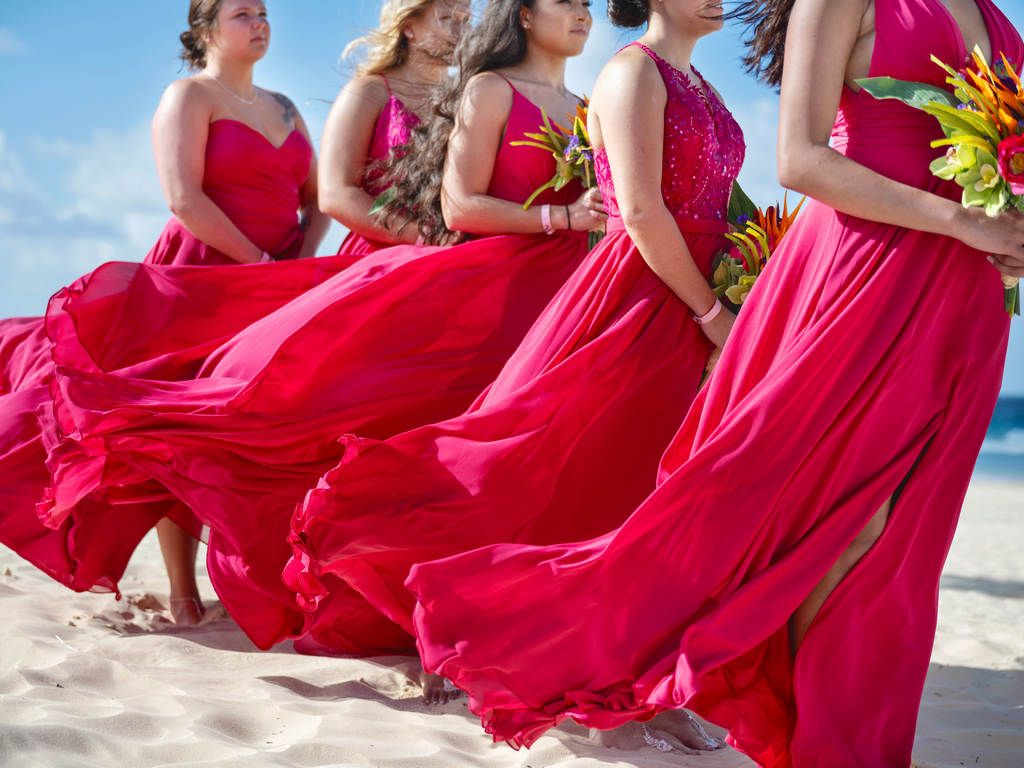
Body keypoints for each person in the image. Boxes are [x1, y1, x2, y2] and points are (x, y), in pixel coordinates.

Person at [406, 0, 1024, 765]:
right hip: (859, 271)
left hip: (963, 291)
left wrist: (1002, 228)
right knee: (839, 521)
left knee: (906, 536)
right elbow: (792, 162)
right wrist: (960, 223)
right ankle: (830, 746)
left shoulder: (996, 16)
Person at [39, 0, 605, 695]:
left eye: (465, 13)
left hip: (399, 272)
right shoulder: (366, 91)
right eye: (446, 13)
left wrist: (305, 263)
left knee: (374, 422)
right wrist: (404, 243)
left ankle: (357, 586)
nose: (460, 24)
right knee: (248, 405)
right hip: (321, 264)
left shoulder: (461, 93)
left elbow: (318, 201)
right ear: (409, 21)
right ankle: (199, 582)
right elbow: (330, 194)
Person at [287, 2, 737, 749]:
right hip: (526, 289)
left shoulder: (623, 97)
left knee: (613, 478)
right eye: (563, 2)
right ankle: (448, 617)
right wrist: (569, 225)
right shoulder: (509, 88)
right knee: (513, 461)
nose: (581, 15)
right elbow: (462, 204)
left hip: (618, 288)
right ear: (524, 15)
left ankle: (629, 667)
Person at [0, 0, 330, 626]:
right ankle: (182, 592)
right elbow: (184, 197)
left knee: (255, 424)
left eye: (264, 12)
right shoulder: (189, 95)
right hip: (197, 275)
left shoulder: (284, 107)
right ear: (205, 30)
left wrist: (296, 260)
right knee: (171, 424)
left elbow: (315, 199)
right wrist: (257, 259)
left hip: (274, 283)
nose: (260, 23)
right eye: (242, 13)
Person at [321, 0, 469, 256]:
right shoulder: (368, 92)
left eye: (465, 20)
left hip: (459, 254)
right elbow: (335, 193)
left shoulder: (470, 96)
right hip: (381, 257)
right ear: (409, 27)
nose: (461, 32)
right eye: (447, 19)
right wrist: (421, 236)